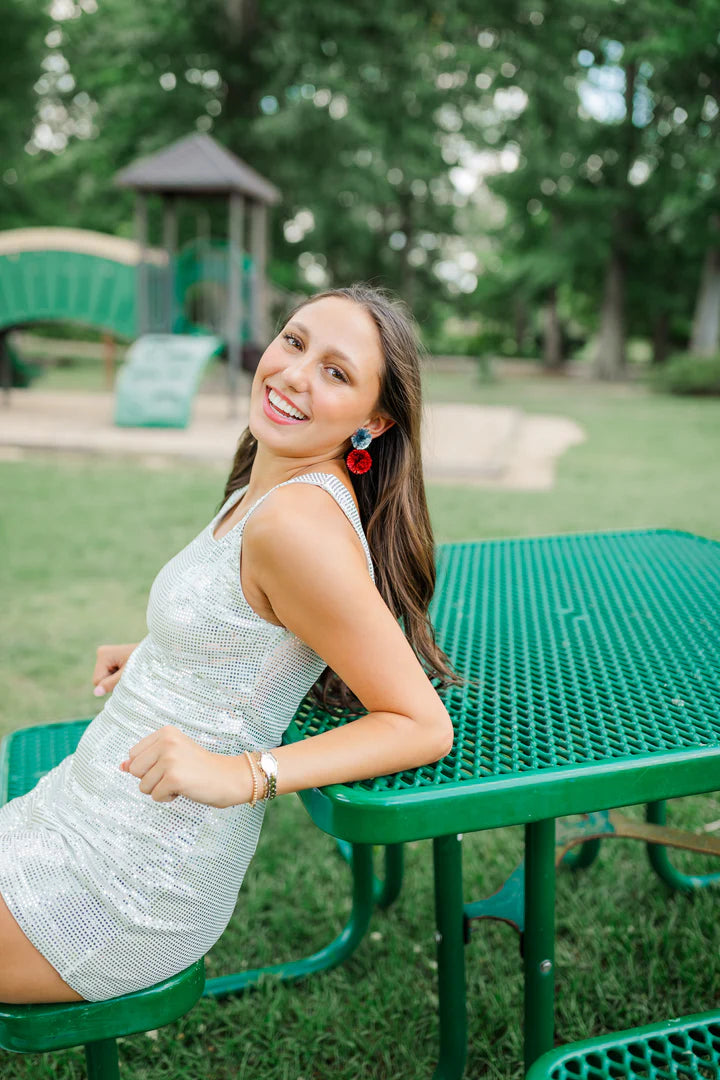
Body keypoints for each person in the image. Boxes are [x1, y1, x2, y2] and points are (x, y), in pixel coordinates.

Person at [0, 282, 462, 1004]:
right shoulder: (268, 483)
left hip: (129, 881)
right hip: (82, 810)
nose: (294, 374)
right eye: (294, 341)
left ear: (373, 421)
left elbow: (421, 725)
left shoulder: (296, 525)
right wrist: (163, 653)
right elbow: (259, 631)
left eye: (335, 372)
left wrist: (244, 775)